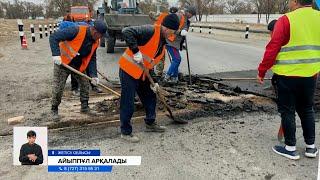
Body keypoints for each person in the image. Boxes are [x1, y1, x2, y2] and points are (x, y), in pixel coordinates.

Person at [257, 0, 320, 160]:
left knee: (287, 110)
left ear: (296, 1)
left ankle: (290, 147)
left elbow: (273, 47)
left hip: (287, 75)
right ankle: (311, 148)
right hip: (311, 74)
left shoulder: (287, 19)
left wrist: (262, 70)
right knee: (307, 109)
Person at [119, 14, 180, 143]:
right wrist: (135, 51)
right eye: (172, 32)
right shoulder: (150, 30)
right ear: (166, 28)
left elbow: (149, 65)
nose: (172, 35)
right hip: (128, 70)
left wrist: (155, 82)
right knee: (128, 102)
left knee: (151, 96)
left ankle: (150, 123)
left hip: (142, 73)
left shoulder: (161, 46)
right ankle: (125, 132)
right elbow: (126, 31)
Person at [49, 20, 107, 121]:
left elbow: (92, 58)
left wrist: (93, 75)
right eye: (100, 35)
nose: (101, 38)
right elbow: (54, 37)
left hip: (78, 65)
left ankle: (84, 107)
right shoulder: (76, 30)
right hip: (63, 63)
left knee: (85, 84)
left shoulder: (95, 41)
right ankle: (54, 109)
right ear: (94, 31)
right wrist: (55, 54)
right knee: (58, 88)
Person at [163, 6, 196, 84]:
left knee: (176, 59)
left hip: (175, 43)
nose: (192, 17)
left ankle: (175, 77)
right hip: (171, 41)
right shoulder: (179, 16)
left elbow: (184, 29)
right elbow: (170, 27)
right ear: (188, 12)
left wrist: (182, 43)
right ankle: (167, 77)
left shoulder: (186, 20)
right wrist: (180, 32)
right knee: (177, 59)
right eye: (192, 14)